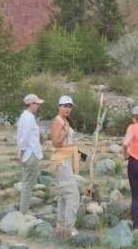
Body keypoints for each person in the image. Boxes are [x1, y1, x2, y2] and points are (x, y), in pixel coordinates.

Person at [50, 95, 80, 238]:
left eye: (69, 106)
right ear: (59, 107)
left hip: (67, 160)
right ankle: (69, 228)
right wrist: (65, 132)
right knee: (73, 195)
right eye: (64, 106)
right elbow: (55, 143)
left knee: (64, 195)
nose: (67, 108)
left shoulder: (65, 121)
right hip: (61, 161)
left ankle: (60, 227)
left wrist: (82, 156)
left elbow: (70, 144)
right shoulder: (57, 122)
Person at [16, 93, 45, 214]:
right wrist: (21, 153)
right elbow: (24, 137)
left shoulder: (25, 116)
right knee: (28, 184)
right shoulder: (28, 117)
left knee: (27, 182)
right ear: (31, 104)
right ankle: (23, 212)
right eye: (37, 103)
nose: (38, 105)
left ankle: (24, 209)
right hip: (30, 153)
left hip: (29, 153)